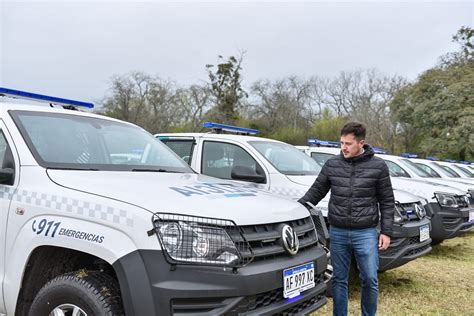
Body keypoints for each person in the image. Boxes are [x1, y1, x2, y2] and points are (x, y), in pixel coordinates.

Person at [299, 122, 394, 316]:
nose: (344, 147)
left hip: (366, 233)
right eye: (341, 143)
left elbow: (387, 201)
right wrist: (294, 209)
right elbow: (315, 192)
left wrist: (386, 231)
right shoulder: (332, 164)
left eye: (348, 143)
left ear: (361, 143)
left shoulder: (378, 166)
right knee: (339, 280)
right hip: (338, 231)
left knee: (369, 279)